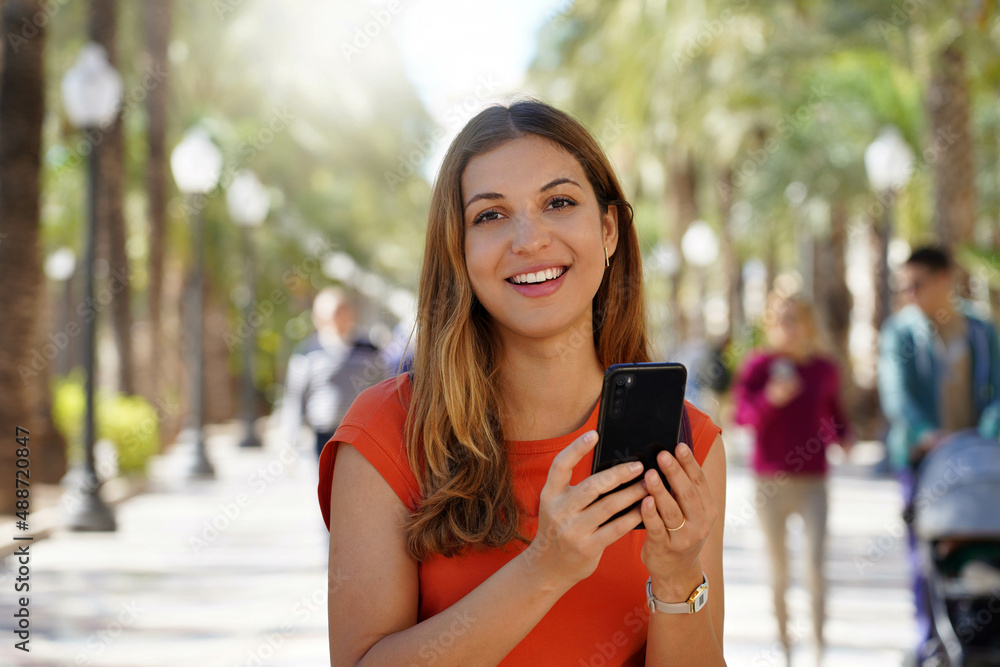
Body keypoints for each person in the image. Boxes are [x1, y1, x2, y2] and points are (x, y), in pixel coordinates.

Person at [316, 100, 727, 665]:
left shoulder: (690, 445)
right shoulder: (387, 431)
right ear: (458, 250)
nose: (530, 239)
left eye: (559, 203)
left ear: (607, 230)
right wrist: (544, 569)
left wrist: (679, 576)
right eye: (490, 215)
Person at [877, 245, 1000, 665]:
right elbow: (897, 395)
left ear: (945, 279)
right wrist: (927, 435)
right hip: (925, 461)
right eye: (903, 286)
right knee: (923, 552)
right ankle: (929, 639)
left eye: (917, 284)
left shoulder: (981, 330)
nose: (909, 294)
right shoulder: (901, 332)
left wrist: (988, 430)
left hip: (982, 459)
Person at [734, 291, 852, 666]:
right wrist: (771, 398)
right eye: (780, 320)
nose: (787, 327)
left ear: (807, 323)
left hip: (814, 481)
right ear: (770, 324)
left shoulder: (823, 368)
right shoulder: (758, 366)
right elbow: (742, 418)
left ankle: (818, 652)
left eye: (794, 319)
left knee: (815, 569)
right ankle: (785, 652)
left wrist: (844, 437)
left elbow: (833, 414)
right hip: (769, 484)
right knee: (779, 572)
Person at [281, 287, 382, 459]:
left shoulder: (369, 349)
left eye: (341, 311)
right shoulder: (308, 352)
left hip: (362, 433)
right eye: (332, 314)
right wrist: (291, 439)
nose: (337, 318)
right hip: (324, 434)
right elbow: (295, 397)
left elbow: (383, 387)